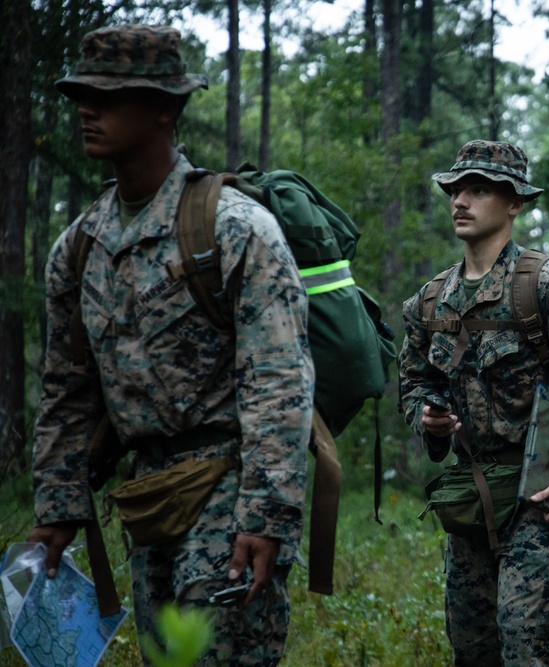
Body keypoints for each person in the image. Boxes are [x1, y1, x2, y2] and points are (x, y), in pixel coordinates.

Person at [28, 24, 314, 666]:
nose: (86, 108)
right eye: (81, 93)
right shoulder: (77, 249)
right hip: (147, 497)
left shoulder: (237, 229)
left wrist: (265, 518)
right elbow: (67, 391)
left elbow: (280, 385)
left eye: (110, 94)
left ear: (164, 107)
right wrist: (59, 506)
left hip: (227, 488)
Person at [397, 139, 549, 666]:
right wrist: (429, 419)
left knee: (530, 649)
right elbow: (413, 382)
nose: (461, 201)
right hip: (474, 496)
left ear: (515, 202)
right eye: (456, 189)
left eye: (479, 190)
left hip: (543, 498)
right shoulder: (430, 302)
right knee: (473, 650)